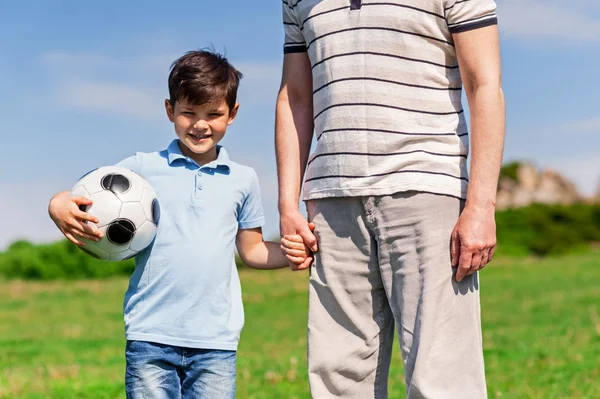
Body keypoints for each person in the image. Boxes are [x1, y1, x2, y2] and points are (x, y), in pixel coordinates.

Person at [48, 49, 311, 399]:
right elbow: (84, 190)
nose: (200, 124)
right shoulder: (141, 168)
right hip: (150, 335)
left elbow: (253, 251)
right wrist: (57, 204)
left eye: (213, 114)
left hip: (215, 341)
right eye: (188, 112)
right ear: (170, 109)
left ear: (232, 114)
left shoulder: (243, 179)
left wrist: (293, 253)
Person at [276, 0, 505, 398]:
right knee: (338, 378)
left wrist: (481, 205)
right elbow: (295, 96)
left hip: (428, 190)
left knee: (441, 377)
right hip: (332, 201)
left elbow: (484, 84)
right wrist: (286, 204)